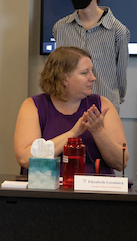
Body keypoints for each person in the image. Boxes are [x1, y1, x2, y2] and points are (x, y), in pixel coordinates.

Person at [14, 47, 128, 175]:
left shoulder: (102, 105)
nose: (93, 78)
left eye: (92, 71)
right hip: (47, 189)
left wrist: (98, 131)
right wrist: (73, 133)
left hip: (95, 191)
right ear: (64, 78)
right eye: (85, 73)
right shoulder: (33, 106)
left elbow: (120, 163)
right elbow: (25, 159)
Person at [53, 0, 129, 113]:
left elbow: (121, 81)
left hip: (104, 110)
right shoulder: (60, 27)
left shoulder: (118, 31)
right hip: (67, 109)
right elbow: (58, 72)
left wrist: (112, 105)